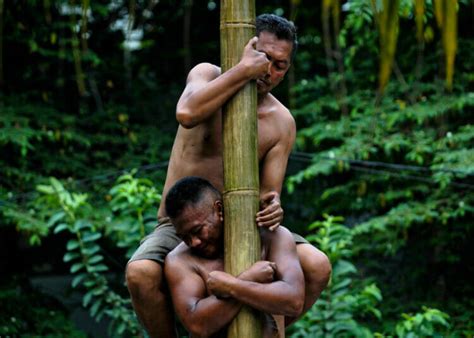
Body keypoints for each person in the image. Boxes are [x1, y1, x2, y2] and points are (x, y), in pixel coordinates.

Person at [126, 14, 331, 338]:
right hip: (183, 225)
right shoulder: (207, 75)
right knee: (140, 273)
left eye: (281, 65)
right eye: (264, 58)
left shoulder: (281, 122)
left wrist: (274, 203)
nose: (271, 71)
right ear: (246, 48)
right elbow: (187, 113)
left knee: (317, 265)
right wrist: (242, 73)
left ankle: (256, 329)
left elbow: (269, 194)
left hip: (243, 223)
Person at [164, 176, 305, 337]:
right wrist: (249, 278)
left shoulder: (272, 236)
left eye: (197, 230)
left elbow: (294, 301)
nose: (194, 242)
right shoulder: (179, 260)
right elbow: (197, 325)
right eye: (184, 237)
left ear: (218, 210)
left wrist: (231, 286)